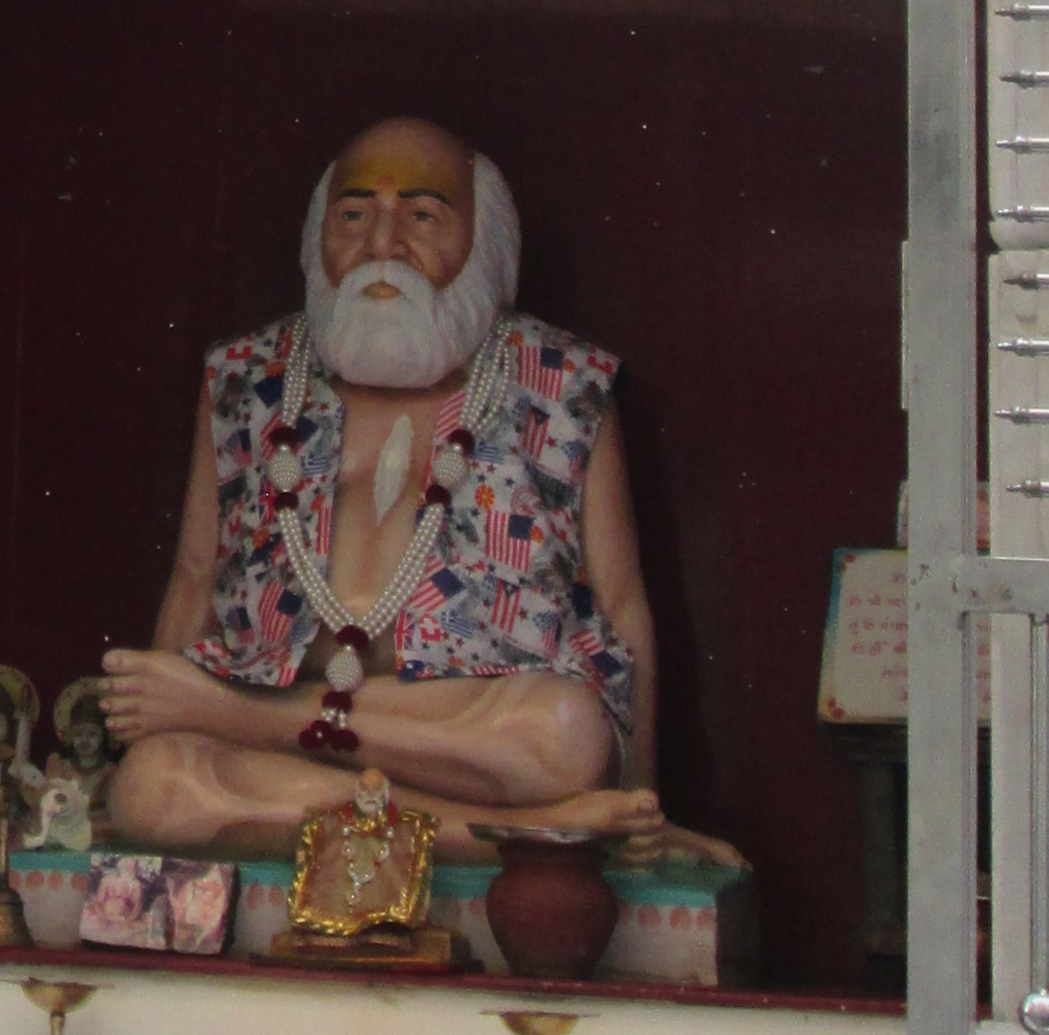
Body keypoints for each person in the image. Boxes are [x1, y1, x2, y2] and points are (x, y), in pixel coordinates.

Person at [100, 117, 658, 850]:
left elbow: (621, 607)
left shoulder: (562, 384)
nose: (383, 244)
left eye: (422, 216)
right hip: (286, 710)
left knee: (566, 731)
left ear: (485, 242)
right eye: (354, 216)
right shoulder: (247, 377)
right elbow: (196, 576)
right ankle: (521, 835)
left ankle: (271, 734)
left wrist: (649, 809)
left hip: (453, 729)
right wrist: (163, 706)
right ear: (317, 238)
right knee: (151, 787)